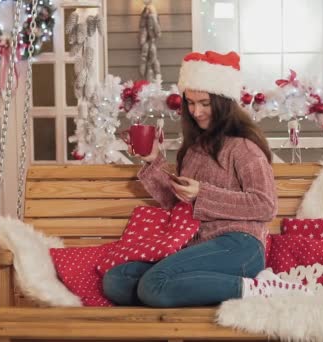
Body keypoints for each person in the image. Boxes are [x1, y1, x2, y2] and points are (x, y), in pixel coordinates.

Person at [103, 51, 310, 308]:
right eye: (190, 103)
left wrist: (203, 193)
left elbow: (265, 205)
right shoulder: (193, 150)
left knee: (153, 285)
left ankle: (258, 288)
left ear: (222, 102)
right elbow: (176, 203)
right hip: (196, 246)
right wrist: (152, 160)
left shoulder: (243, 148)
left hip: (239, 245)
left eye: (204, 103)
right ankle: (202, 288)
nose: (196, 111)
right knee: (117, 279)